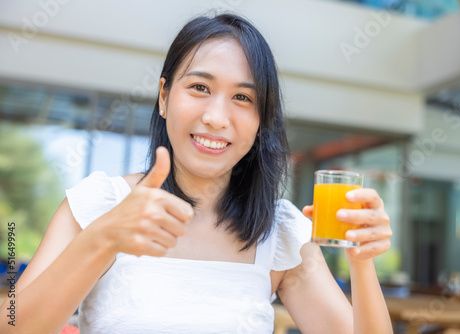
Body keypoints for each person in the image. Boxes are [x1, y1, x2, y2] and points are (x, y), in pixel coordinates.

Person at [0, 13, 393, 333]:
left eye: (243, 97)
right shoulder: (98, 204)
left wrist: (361, 261)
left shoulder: (281, 233)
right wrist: (102, 237)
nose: (216, 117)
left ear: (261, 121)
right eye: (200, 87)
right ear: (165, 97)